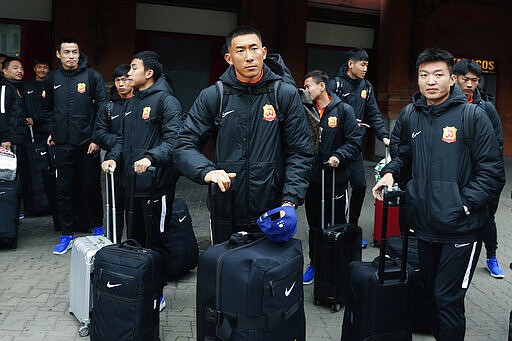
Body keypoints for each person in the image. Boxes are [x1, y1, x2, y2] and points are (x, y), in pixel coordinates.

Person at [372, 48, 504, 340]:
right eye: (423, 75)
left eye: (438, 74)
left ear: (452, 79)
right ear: (417, 80)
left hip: (462, 229)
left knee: (448, 300)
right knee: (429, 296)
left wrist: (465, 206)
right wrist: (390, 173)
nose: (430, 81)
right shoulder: (410, 115)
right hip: (423, 228)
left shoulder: (473, 117)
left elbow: (492, 171)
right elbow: (402, 156)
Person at [174, 25, 314, 244]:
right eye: (241, 51)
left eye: (254, 49)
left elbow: (301, 152)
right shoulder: (214, 96)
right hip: (225, 206)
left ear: (264, 52)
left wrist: (290, 200)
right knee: (227, 272)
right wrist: (207, 172)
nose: (249, 57)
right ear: (229, 58)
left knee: (269, 274)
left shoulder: (283, 94)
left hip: (273, 209)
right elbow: (183, 144)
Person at [101, 51, 182, 311]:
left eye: (134, 68)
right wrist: (113, 158)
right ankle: (139, 288)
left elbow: (174, 142)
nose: (128, 74)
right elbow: (122, 140)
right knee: (134, 239)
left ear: (149, 73)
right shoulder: (131, 103)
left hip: (156, 186)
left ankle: (157, 292)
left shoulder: (167, 101)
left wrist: (150, 158)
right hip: (131, 185)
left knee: (155, 240)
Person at [44, 37, 107, 255]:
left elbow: (102, 110)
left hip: (87, 145)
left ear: (80, 54)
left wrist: (97, 139)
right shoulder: (53, 78)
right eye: (67, 52)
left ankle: (98, 229)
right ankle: (66, 234)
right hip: (62, 145)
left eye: (75, 52)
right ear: (58, 54)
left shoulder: (92, 76)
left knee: (91, 188)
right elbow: (48, 109)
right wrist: (53, 130)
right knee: (63, 191)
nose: (72, 56)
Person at [301, 70, 361, 285]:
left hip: (336, 181)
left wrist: (338, 155)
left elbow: (354, 142)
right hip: (312, 181)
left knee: (337, 226)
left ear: (322, 86)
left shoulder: (344, 110)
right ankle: (315, 264)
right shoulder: (305, 111)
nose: (306, 90)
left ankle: (339, 266)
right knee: (315, 227)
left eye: (308, 86)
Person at [328, 48, 390, 235]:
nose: (365, 68)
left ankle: (352, 227)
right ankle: (338, 227)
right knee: (339, 190)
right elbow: (328, 111)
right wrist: (347, 120)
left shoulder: (366, 86)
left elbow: (374, 113)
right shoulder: (335, 84)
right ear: (350, 64)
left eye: (367, 65)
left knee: (361, 186)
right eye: (362, 64)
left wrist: (384, 136)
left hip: (355, 147)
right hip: (336, 147)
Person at [453, 58, 505, 278]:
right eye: (466, 79)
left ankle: (491, 257)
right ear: (455, 78)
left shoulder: (486, 108)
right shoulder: (446, 106)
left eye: (475, 80)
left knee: (486, 218)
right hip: (456, 174)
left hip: (481, 176)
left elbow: (498, 143)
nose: (470, 85)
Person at [93, 64, 134, 242]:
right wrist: (122, 141)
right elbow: (100, 134)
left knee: (134, 210)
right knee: (115, 209)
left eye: (125, 79)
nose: (121, 84)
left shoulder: (140, 104)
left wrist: (122, 141)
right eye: (118, 80)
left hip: (135, 163)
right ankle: (112, 245)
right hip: (113, 166)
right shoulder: (107, 107)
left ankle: (134, 246)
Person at [24, 58, 51, 142]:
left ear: (49, 70)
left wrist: (35, 119)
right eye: (39, 67)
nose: (42, 70)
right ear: (34, 69)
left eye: (45, 67)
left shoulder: (52, 86)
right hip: (28, 127)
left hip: (46, 127)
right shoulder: (26, 85)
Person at [1, 57, 25, 151]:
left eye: (21, 68)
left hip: (18, 139)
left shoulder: (16, 87)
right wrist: (4, 138)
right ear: (5, 71)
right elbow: (2, 113)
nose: (20, 71)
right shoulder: (5, 87)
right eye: (15, 68)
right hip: (8, 141)